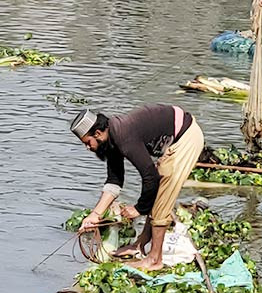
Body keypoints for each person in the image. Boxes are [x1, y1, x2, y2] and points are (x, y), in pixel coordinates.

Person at [70, 103, 205, 271]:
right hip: (176, 138)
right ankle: (139, 245)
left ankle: (155, 260)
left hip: (187, 136)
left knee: (163, 195)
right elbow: (114, 181)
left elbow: (150, 177)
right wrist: (95, 216)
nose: (88, 147)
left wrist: (139, 209)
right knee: (158, 190)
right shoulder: (111, 140)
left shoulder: (123, 136)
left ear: (97, 133)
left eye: (88, 142)